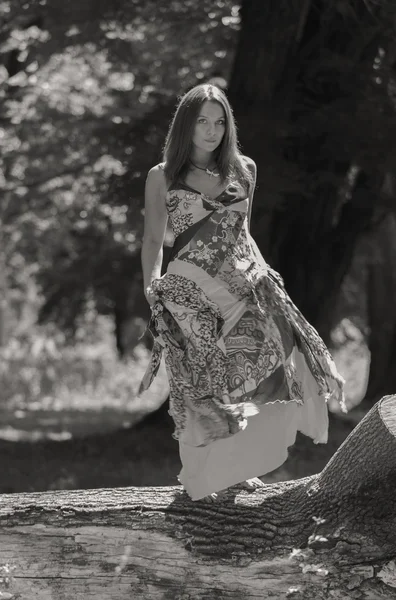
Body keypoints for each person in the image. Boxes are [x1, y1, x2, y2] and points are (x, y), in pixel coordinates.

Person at [139, 83, 346, 502]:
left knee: (269, 367)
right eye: (202, 121)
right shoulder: (162, 175)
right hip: (188, 289)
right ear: (186, 125)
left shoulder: (244, 170)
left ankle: (238, 468)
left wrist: (267, 279)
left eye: (220, 122)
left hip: (241, 282)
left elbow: (243, 233)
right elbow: (151, 238)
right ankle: (200, 476)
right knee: (201, 382)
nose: (212, 131)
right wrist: (152, 284)